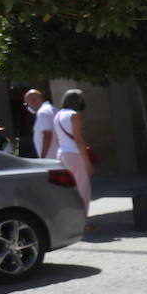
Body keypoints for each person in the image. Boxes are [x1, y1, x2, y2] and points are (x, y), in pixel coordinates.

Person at [53, 89, 96, 223]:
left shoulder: (58, 115)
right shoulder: (73, 115)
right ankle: (82, 223)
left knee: (69, 190)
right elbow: (78, 140)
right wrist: (88, 163)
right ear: (75, 101)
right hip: (75, 155)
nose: (82, 101)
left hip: (62, 155)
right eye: (81, 99)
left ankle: (70, 221)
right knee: (82, 190)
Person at [26, 89, 57, 159]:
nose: (28, 107)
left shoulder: (43, 113)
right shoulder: (53, 109)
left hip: (51, 157)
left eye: (28, 103)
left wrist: (43, 157)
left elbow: (47, 135)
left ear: (33, 101)